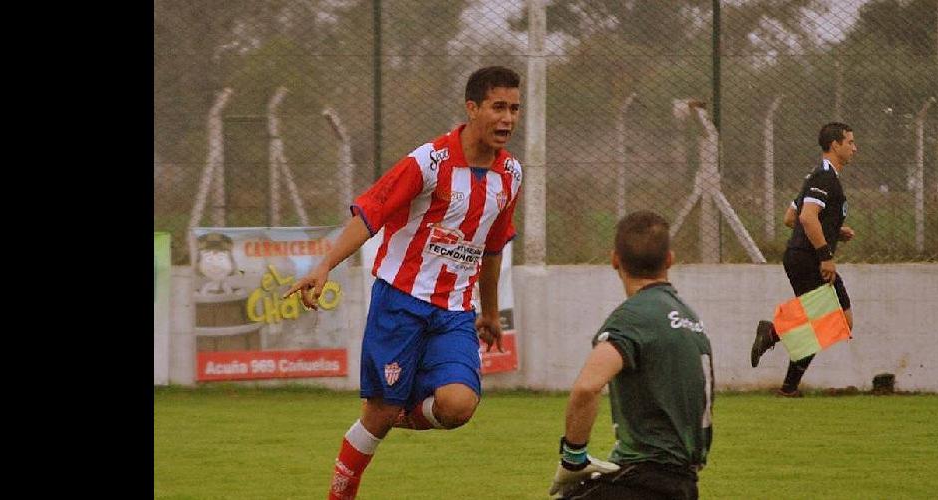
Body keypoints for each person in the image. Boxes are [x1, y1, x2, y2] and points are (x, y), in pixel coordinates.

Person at [283, 66, 523, 500]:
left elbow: (492, 248)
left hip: (453, 311)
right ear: (472, 108)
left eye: (514, 109)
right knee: (377, 416)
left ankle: (393, 410)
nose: (507, 119)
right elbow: (371, 212)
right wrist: (325, 265)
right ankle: (343, 490)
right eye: (498, 107)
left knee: (458, 405)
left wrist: (489, 312)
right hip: (400, 302)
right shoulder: (429, 161)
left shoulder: (511, 176)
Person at [548, 210, 714, 500]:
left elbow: (587, 387)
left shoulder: (633, 319)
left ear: (615, 260)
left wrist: (573, 458)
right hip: (684, 482)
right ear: (670, 260)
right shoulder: (690, 319)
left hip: (646, 477)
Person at [751, 122, 857, 398]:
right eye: (850, 142)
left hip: (800, 256)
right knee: (836, 318)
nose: (853, 148)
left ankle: (788, 387)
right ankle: (772, 332)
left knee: (830, 319)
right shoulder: (824, 178)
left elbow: (791, 217)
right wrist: (825, 255)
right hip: (808, 258)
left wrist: (833, 230)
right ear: (835, 145)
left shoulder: (817, 176)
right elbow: (807, 218)